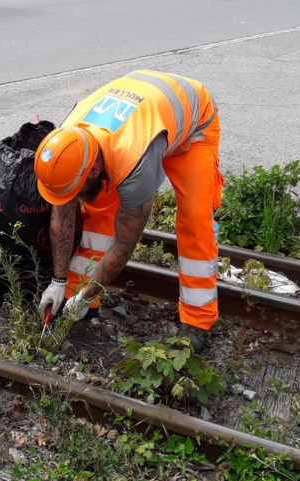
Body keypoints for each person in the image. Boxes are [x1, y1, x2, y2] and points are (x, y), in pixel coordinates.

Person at [35, 70, 222, 353]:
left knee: (195, 221)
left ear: (94, 169)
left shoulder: (133, 164)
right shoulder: (68, 143)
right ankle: (75, 292)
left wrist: (89, 294)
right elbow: (62, 213)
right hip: (142, 112)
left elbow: (125, 243)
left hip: (193, 127)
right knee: (97, 212)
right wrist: (58, 282)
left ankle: (198, 320)